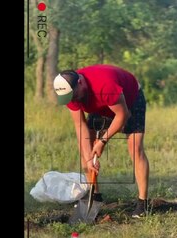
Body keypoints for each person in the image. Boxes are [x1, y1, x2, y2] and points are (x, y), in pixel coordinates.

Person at [53, 64, 149, 218]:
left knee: (135, 148)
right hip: (100, 104)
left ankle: (143, 203)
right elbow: (80, 126)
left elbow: (123, 115)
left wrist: (102, 141)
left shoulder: (104, 85)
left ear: (80, 83)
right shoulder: (71, 94)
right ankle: (95, 196)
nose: (73, 100)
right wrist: (90, 157)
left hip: (130, 100)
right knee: (87, 149)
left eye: (74, 95)